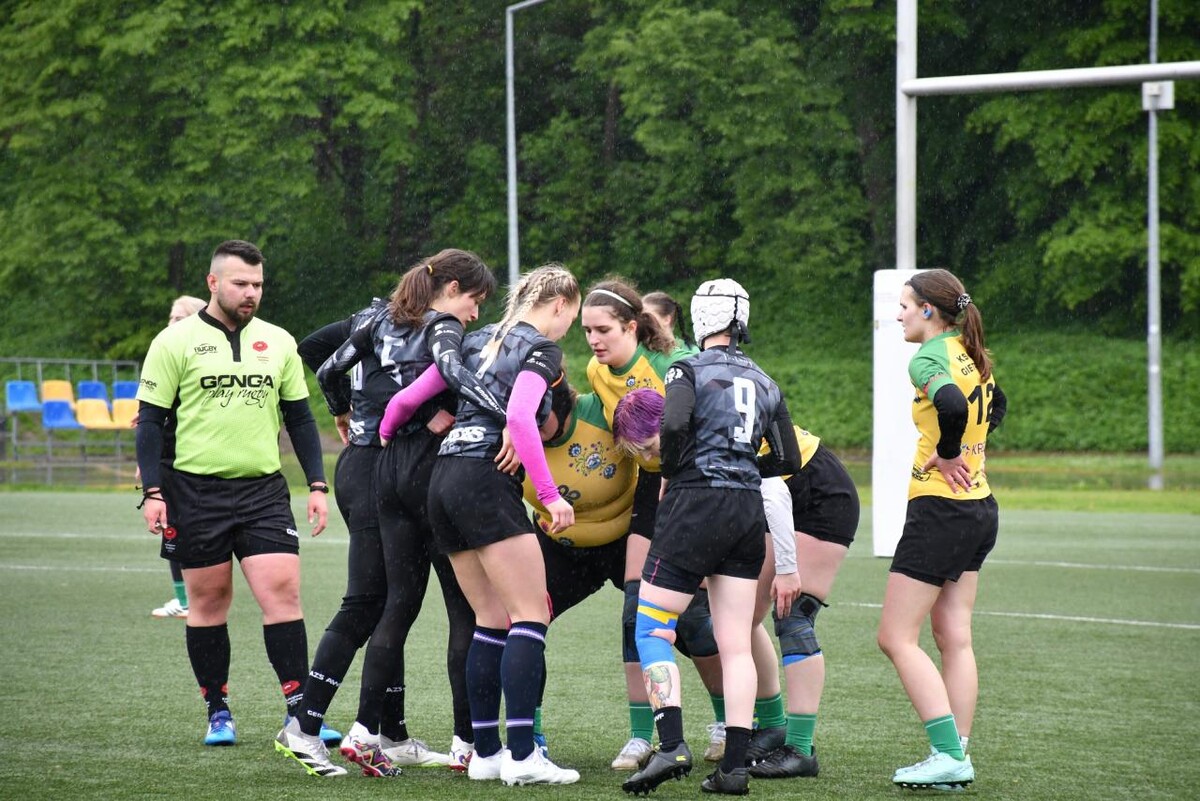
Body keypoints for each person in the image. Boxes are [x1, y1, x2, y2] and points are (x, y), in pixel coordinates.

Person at [279, 249, 500, 777]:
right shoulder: (433, 326)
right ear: (450, 287)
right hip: (390, 461)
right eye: (474, 299)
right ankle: (304, 727)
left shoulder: (377, 317)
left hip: (373, 460)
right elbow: (441, 372)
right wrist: (478, 410)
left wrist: (344, 409)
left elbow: (324, 359)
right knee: (374, 602)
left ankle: (389, 732)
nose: (475, 314)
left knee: (393, 602)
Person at [380, 263, 583, 786]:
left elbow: (404, 401)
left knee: (489, 620)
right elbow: (518, 419)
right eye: (572, 317)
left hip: (443, 480)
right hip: (484, 479)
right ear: (560, 304)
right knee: (531, 615)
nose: (569, 329)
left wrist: (385, 433)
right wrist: (550, 496)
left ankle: (487, 754)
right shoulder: (540, 348)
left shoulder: (476, 339)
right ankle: (524, 756)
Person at [135, 240, 332, 758]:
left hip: (263, 489)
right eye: (241, 283)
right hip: (194, 491)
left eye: (257, 284)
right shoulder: (174, 341)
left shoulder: (279, 341)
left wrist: (317, 484)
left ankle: (299, 712)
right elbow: (150, 422)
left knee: (282, 594)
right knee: (208, 601)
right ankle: (217, 708)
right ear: (213, 282)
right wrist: (152, 491)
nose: (251, 293)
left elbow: (300, 418)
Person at [619, 279, 802, 796]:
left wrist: (677, 472)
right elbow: (787, 458)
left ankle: (672, 743)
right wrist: (739, 468)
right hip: (745, 511)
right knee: (736, 642)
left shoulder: (687, 368)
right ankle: (735, 768)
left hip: (695, 504)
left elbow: (675, 425)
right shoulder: (766, 381)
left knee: (651, 628)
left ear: (701, 319)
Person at [582, 279, 729, 770]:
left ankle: (728, 722)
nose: (593, 340)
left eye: (603, 330)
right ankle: (640, 736)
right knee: (634, 610)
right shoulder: (596, 372)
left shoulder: (674, 366)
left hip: (692, 485)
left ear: (631, 326)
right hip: (652, 489)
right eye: (586, 331)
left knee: (694, 616)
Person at [877, 269, 1006, 790]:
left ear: (929, 310)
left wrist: (949, 452)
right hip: (979, 507)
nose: (899, 315)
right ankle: (957, 754)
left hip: (941, 510)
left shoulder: (928, 357)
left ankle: (949, 754)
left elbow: (952, 405)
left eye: (905, 306)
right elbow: (997, 405)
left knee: (895, 637)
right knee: (954, 636)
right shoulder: (971, 352)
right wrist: (970, 450)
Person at [745, 426, 861, 778]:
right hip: (773, 488)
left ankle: (800, 747)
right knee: (741, 615)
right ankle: (772, 725)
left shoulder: (696, 412)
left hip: (817, 489)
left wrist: (787, 568)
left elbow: (771, 488)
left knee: (794, 616)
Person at [148, 294, 206, 619]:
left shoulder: (195, 360)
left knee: (181, 529)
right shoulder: (167, 355)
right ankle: (186, 598)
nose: (172, 324)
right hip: (170, 457)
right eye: (171, 317)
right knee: (174, 528)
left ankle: (191, 600)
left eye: (179, 318)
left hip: (187, 460)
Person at [641, 290, 697, 358]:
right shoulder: (639, 351)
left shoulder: (692, 352)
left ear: (666, 320)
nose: (641, 321)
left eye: (647, 317)